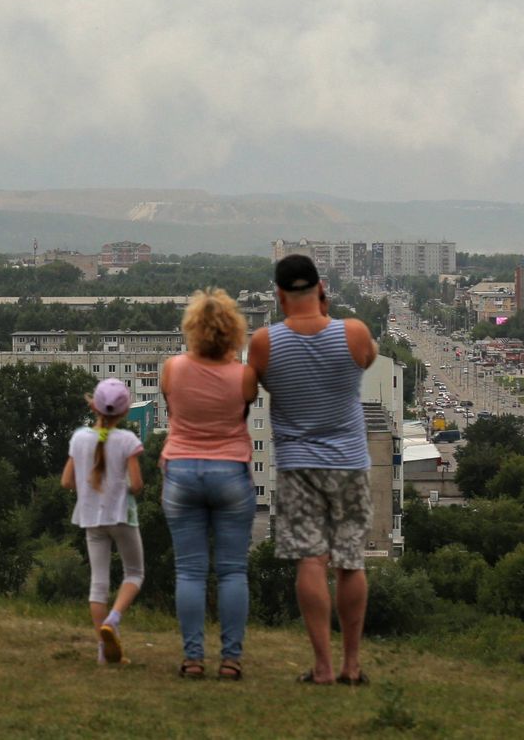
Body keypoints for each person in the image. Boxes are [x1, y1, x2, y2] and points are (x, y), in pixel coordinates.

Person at [244, 254, 377, 686]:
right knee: (351, 562)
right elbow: (368, 358)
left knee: (310, 561)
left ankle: (321, 666)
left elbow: (251, 387)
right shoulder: (352, 332)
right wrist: (328, 314)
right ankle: (351, 666)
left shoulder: (264, 342)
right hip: (350, 463)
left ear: (280, 295)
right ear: (321, 287)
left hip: (297, 465)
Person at [159, 288, 256, 680]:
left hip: (181, 472)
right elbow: (242, 411)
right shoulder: (244, 375)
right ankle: (230, 659)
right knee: (232, 571)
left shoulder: (173, 369)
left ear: (192, 329)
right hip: (230, 472)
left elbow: (172, 406)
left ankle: (193, 658)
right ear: (234, 331)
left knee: (190, 572)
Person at [60, 377, 145, 665]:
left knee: (98, 584)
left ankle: (103, 651)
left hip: (91, 519)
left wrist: (90, 486)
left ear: (93, 406)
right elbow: (136, 485)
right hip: (122, 516)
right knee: (134, 573)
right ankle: (114, 618)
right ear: (124, 412)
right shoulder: (128, 441)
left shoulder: (79, 438)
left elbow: (66, 481)